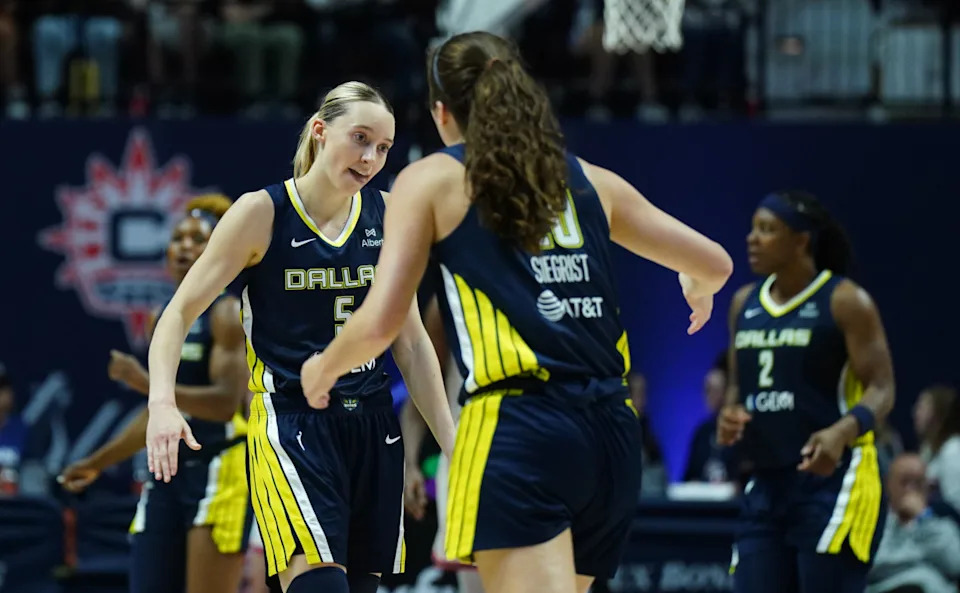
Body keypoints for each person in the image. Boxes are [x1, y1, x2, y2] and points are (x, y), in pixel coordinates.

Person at [299, 31, 733, 593]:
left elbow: (382, 320)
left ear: (441, 113)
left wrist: (323, 368)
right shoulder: (586, 178)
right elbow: (717, 263)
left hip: (520, 428)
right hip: (611, 435)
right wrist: (696, 284)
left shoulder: (433, 179)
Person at [144, 81, 456, 593]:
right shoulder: (261, 213)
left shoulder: (391, 213)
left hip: (374, 427)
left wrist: (451, 445)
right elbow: (177, 313)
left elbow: (412, 342)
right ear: (319, 131)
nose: (371, 157)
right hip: (292, 425)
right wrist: (161, 401)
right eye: (359, 138)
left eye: (382, 147)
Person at [58, 195, 253, 593]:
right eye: (178, 237)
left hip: (220, 469)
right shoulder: (160, 317)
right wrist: (98, 461)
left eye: (197, 239)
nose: (184, 246)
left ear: (219, 249)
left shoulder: (227, 313)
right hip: (166, 470)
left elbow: (223, 405)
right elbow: (159, 412)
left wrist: (145, 382)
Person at [718, 190, 896, 593]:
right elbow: (735, 386)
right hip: (765, 482)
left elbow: (883, 388)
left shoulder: (845, 301)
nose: (752, 239)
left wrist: (842, 431)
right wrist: (730, 416)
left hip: (836, 481)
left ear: (801, 241)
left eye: (767, 230)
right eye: (752, 229)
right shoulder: (743, 304)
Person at [866, 453, 960, 593]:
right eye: (904, 482)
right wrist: (924, 558)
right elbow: (874, 565)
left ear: (928, 487)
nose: (910, 490)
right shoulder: (874, 523)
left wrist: (924, 518)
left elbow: (956, 564)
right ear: (888, 484)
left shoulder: (940, 523)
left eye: (918, 483)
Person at [913, 384, 960, 512]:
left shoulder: (953, 450)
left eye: (922, 407)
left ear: (939, 414)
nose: (915, 413)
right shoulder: (927, 449)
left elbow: (955, 505)